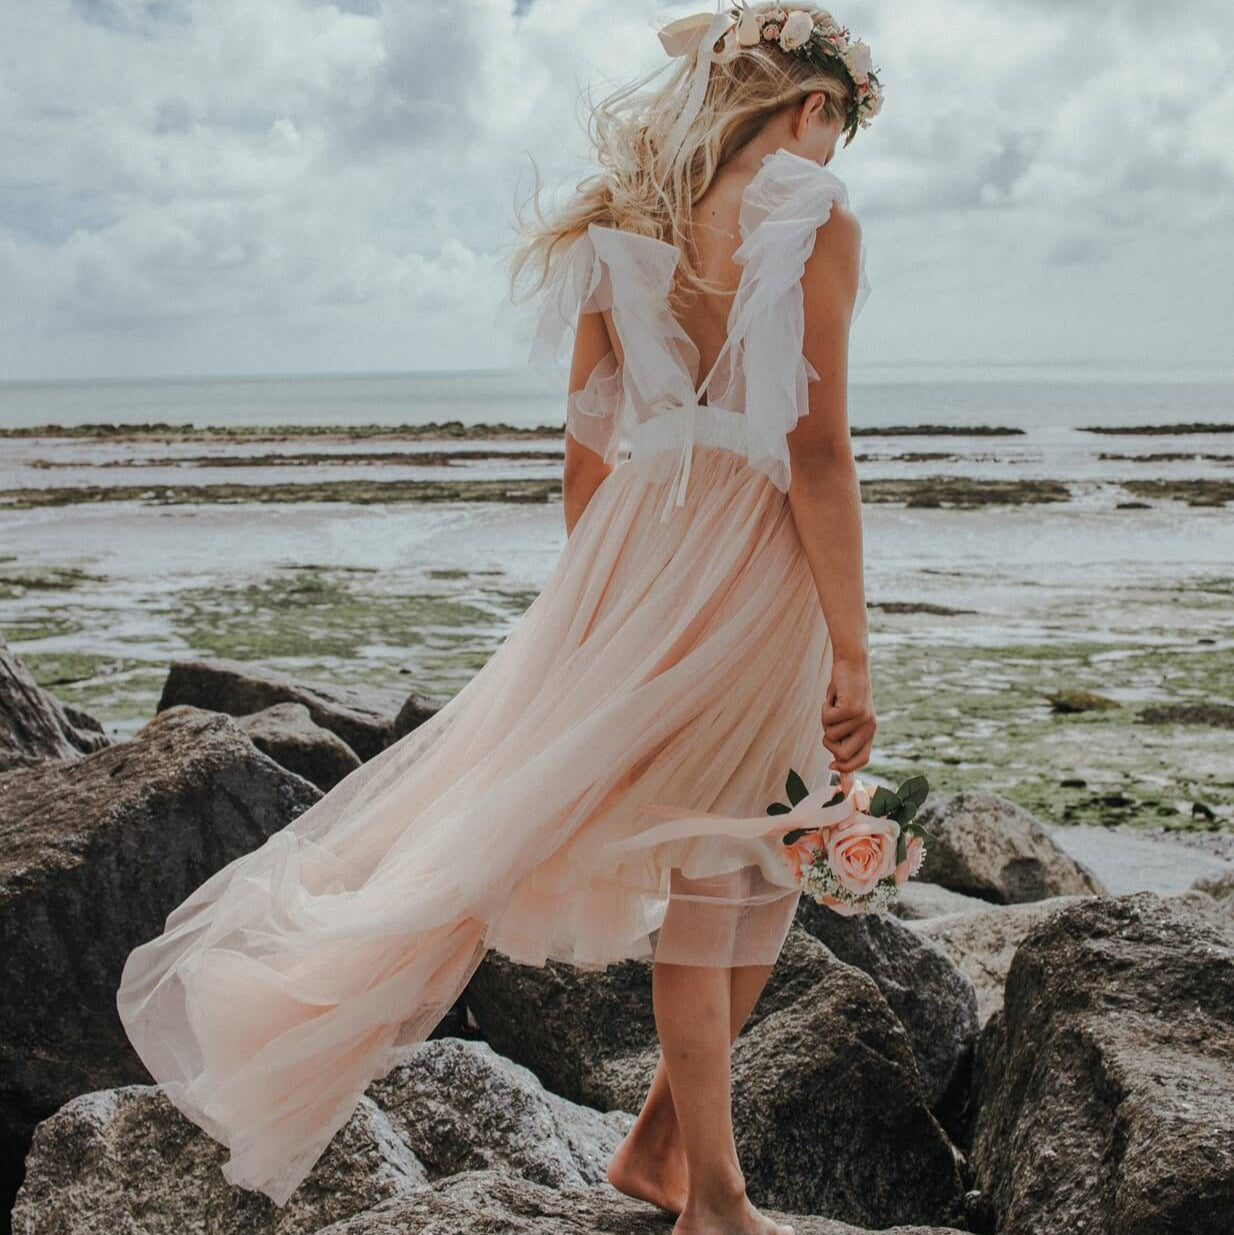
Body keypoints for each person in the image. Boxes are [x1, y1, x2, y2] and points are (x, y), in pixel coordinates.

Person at [115, 5, 881, 1234]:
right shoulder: (814, 212)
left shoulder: (623, 220)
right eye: (839, 123)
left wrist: (604, 602)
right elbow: (815, 446)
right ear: (810, 106)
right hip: (754, 554)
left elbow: (584, 448)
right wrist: (851, 643)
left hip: (639, 548)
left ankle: (654, 1149)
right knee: (733, 863)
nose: (835, 150)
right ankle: (718, 1198)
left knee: (752, 852)